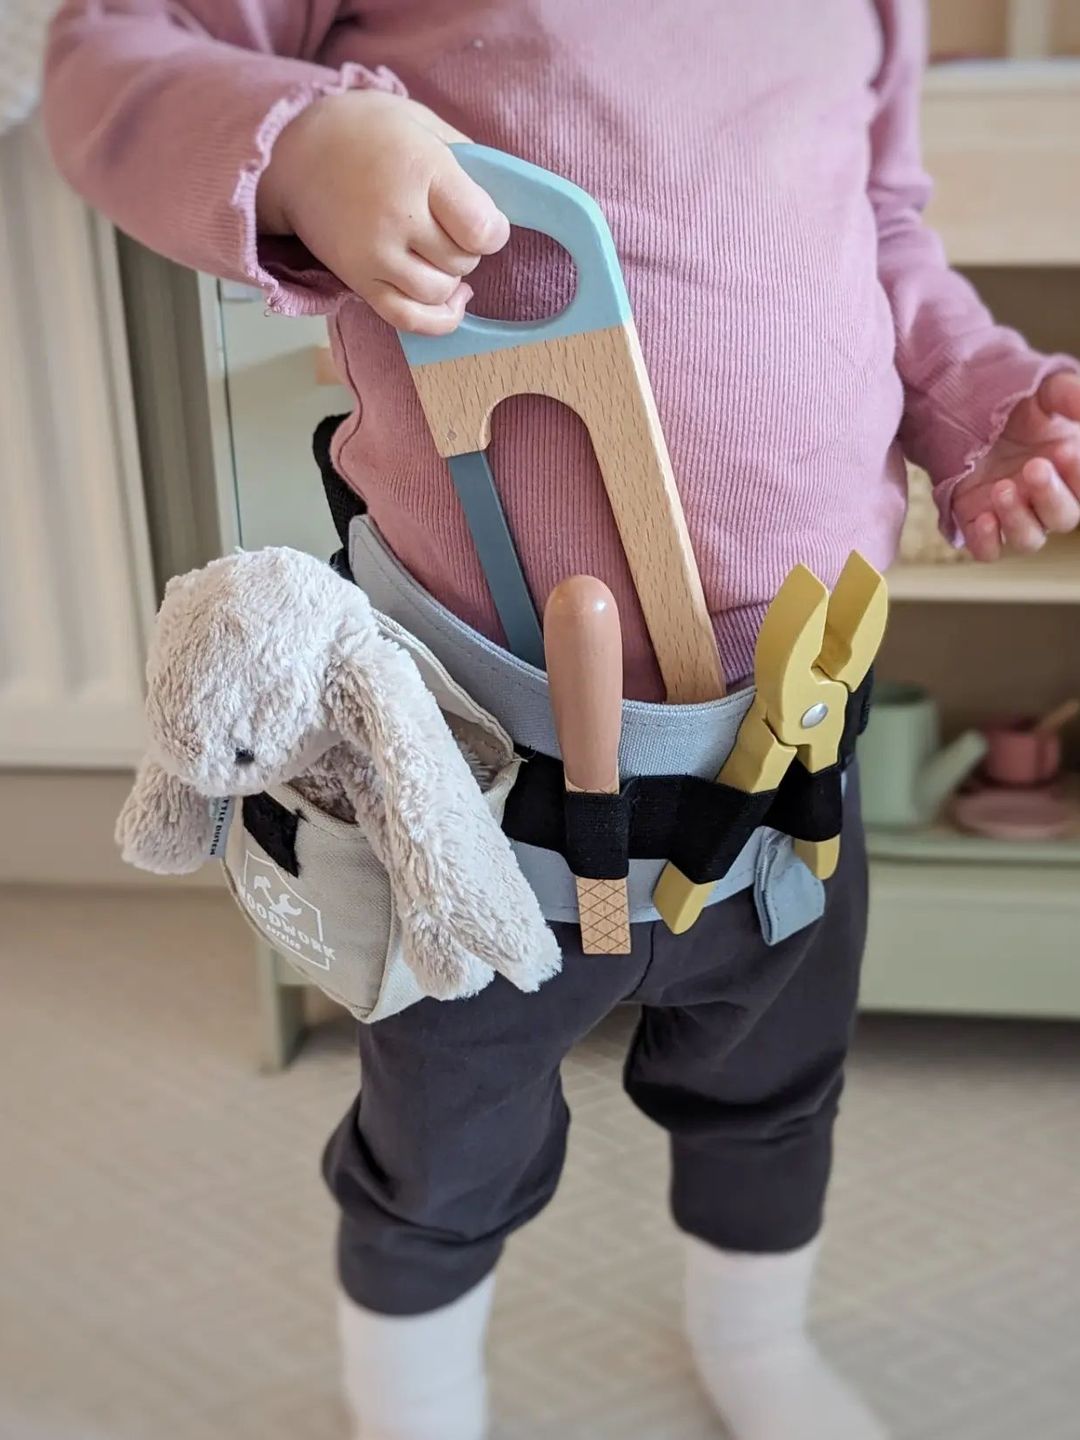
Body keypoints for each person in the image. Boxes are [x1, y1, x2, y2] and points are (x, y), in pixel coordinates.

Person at [43, 4, 1080, 1438]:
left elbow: (886, 224)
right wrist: (298, 152)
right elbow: (112, 63)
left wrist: (981, 404)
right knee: (440, 1141)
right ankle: (417, 1409)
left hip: (782, 776)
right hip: (477, 785)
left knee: (773, 1096)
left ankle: (757, 1350)